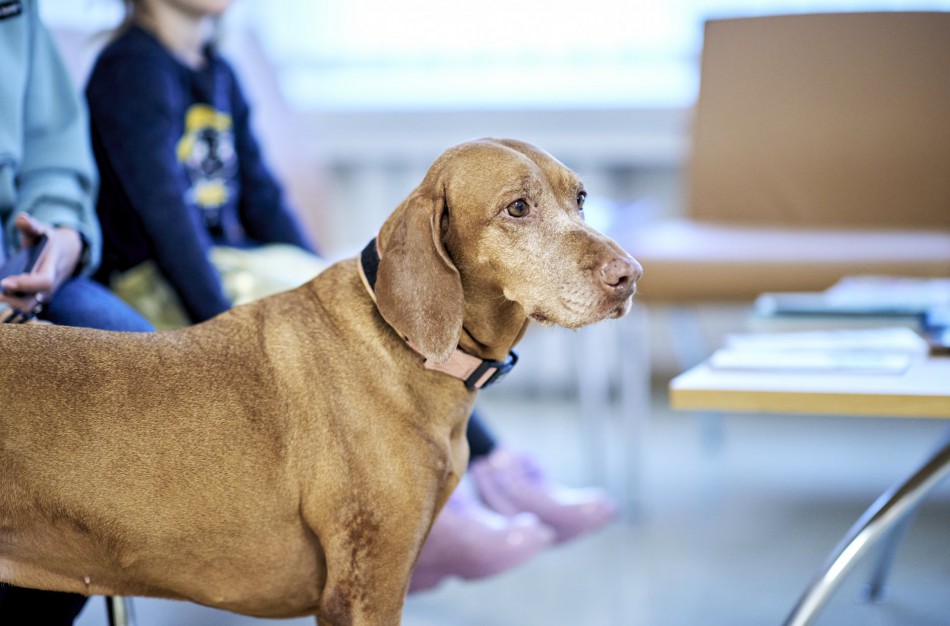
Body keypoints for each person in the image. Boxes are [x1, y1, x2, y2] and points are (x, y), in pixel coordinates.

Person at [86, 0, 617, 595]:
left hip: (235, 260)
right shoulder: (129, 68)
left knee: (367, 304)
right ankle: (438, 500)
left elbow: (262, 195)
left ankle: (476, 476)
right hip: (157, 276)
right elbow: (166, 218)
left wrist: (320, 283)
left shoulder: (218, 71)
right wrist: (230, 314)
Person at [0, 1, 155, 623]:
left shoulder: (19, 13)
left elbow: (54, 157)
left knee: (149, 382)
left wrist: (60, 238)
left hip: (18, 248)